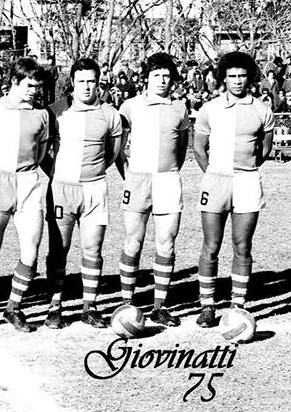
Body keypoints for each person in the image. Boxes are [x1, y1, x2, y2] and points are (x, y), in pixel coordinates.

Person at [193, 51, 274, 327]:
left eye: (242, 76)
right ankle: (207, 306)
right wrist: (217, 174)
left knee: (242, 245)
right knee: (211, 245)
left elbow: (264, 149)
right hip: (216, 180)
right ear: (223, 78)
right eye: (232, 76)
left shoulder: (262, 109)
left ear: (249, 78)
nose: (237, 81)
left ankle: (237, 305)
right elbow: (198, 149)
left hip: (247, 181)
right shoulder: (209, 109)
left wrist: (244, 170)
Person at [0, 58, 51, 331]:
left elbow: (41, 153)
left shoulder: (43, 114)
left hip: (29, 182)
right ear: (15, 82)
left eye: (38, 86)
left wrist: (25, 175)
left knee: (31, 251)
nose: (34, 91)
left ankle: (13, 308)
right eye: (29, 85)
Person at [45, 58, 122, 329]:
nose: (87, 87)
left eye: (92, 81)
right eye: (81, 81)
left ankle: (90, 306)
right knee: (59, 249)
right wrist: (54, 173)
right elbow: (42, 152)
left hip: (95, 189)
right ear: (72, 83)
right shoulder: (56, 112)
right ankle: (55, 305)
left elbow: (113, 152)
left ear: (98, 83)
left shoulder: (110, 114)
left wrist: (95, 171)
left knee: (93, 249)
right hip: (62, 189)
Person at [115, 53, 190, 326]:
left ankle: (160, 306)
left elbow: (182, 148)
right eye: (157, 75)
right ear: (146, 77)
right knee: (132, 241)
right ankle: (126, 302)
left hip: (168, 179)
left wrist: (169, 172)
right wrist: (129, 175)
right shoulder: (130, 106)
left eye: (167, 76)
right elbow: (118, 148)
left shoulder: (180, 108)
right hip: (137, 179)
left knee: (166, 243)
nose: (162, 80)